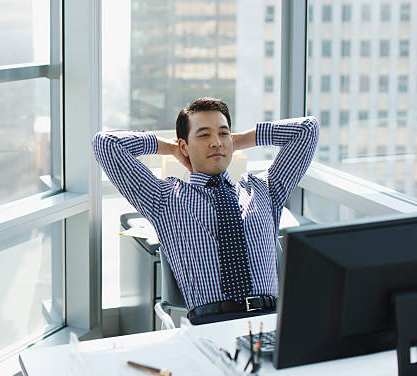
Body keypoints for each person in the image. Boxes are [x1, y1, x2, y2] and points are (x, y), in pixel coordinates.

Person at [93, 98, 319, 324]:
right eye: (203, 135)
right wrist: (172, 148)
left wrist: (236, 141)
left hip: (271, 320)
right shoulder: (164, 199)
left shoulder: (265, 189)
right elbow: (106, 143)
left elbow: (307, 129)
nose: (216, 143)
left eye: (223, 133)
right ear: (184, 146)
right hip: (210, 324)